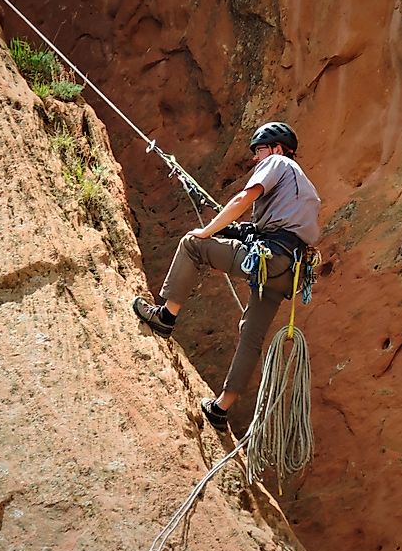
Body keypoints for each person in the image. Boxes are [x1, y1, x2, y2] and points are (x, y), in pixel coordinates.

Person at [132, 121, 321, 431]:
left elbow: (242, 200)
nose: (256, 159)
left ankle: (165, 317)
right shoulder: (305, 187)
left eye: (260, 151)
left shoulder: (277, 163)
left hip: (269, 260)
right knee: (252, 333)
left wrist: (208, 231)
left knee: (193, 244)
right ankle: (221, 409)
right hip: (290, 272)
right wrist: (242, 233)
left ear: (276, 149)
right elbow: (283, 232)